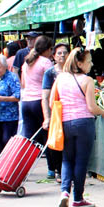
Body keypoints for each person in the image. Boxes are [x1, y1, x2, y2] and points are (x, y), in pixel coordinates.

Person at [52, 46, 104, 207]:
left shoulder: (60, 78)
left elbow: (53, 102)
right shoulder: (87, 81)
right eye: (89, 61)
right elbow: (92, 107)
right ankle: (78, 198)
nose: (91, 64)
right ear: (79, 63)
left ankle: (64, 192)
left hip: (65, 123)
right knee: (81, 161)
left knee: (67, 160)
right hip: (84, 123)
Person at [39, 42, 69, 181]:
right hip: (56, 112)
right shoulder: (50, 73)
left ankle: (67, 171)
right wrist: (47, 117)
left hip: (70, 112)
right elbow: (45, 97)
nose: (62, 55)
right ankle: (58, 170)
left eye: (65, 53)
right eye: (59, 53)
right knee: (56, 142)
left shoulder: (73, 71)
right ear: (54, 56)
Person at [19, 36, 54, 143]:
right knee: (46, 136)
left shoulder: (27, 62)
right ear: (47, 49)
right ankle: (50, 159)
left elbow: (23, 83)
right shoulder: (46, 62)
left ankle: (26, 159)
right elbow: (51, 83)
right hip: (40, 101)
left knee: (30, 140)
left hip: (26, 102)